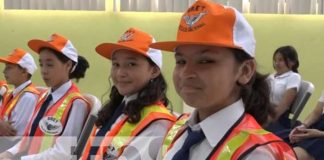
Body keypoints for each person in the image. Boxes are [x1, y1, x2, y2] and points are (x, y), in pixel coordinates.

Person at [150, 0, 297, 159]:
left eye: (205, 61)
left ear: (245, 71)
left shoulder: (257, 153)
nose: (186, 73)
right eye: (181, 61)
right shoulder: (177, 130)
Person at [81, 28, 176, 160]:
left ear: (154, 71)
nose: (120, 73)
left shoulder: (157, 123)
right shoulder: (116, 109)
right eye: (116, 64)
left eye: (131, 64)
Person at [0, 33, 90, 160]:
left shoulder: (76, 103)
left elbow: (64, 153)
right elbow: (28, 138)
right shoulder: (44, 96)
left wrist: (20, 159)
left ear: (68, 65)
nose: (44, 71)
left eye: (50, 64)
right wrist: (9, 153)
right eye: (41, 64)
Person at [0, 49, 40, 152]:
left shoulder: (28, 97)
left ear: (24, 71)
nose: (4, 71)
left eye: (9, 68)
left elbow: (12, 135)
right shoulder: (12, 93)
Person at [266, 45, 301, 132]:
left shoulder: (294, 77)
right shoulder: (271, 76)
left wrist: (267, 121)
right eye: (275, 60)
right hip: (264, 111)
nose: (277, 63)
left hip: (277, 118)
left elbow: (284, 105)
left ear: (292, 62)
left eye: (280, 60)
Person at [282, 90, 324, 160]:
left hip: (320, 136)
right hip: (316, 129)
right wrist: (303, 126)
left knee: (292, 155)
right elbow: (316, 113)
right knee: (279, 138)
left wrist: (319, 134)